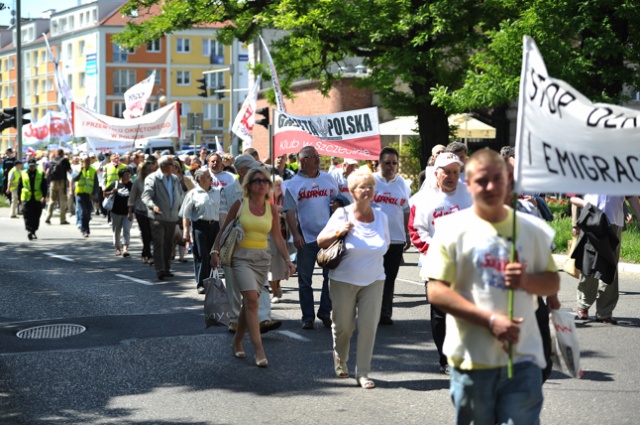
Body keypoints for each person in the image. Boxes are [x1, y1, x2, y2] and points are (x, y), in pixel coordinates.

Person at [424, 149, 560, 425]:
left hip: (523, 359)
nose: (490, 187)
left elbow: (552, 281)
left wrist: (527, 281)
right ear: (469, 184)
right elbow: (436, 290)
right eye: (481, 180)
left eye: (497, 179)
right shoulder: (450, 229)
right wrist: (489, 320)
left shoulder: (532, 229)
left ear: (508, 181)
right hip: (472, 360)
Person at [210, 167, 296, 367]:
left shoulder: (271, 209)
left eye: (265, 181)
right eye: (257, 180)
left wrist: (288, 260)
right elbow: (224, 230)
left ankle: (237, 340)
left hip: (261, 259)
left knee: (250, 304)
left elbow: (277, 237)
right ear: (249, 185)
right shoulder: (240, 204)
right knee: (251, 300)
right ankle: (259, 350)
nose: (261, 184)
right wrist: (215, 252)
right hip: (241, 258)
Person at [317, 166, 390, 389]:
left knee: (368, 326)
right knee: (344, 328)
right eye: (361, 187)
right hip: (343, 280)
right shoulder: (342, 214)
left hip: (374, 279)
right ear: (352, 191)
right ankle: (341, 360)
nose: (367, 191)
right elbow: (320, 241)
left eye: (370, 187)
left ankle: (363, 373)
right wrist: (339, 232)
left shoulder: (382, 217)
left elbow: (385, 245)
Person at [412, 153, 472, 374]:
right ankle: (445, 359)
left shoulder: (469, 196)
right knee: (440, 315)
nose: (451, 176)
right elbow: (416, 231)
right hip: (437, 265)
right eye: (446, 171)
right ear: (436, 173)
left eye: (455, 172)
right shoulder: (424, 200)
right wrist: (437, 251)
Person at [219, 154, 282, 334]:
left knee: (260, 283)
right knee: (232, 282)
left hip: (259, 244)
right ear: (241, 171)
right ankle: (234, 319)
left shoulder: (261, 188)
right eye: (251, 168)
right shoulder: (228, 191)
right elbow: (223, 219)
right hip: (236, 243)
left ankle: (263, 319)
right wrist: (221, 244)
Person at [284, 146, 340, 329]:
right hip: (306, 238)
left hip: (328, 237)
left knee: (330, 277)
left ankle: (325, 312)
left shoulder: (328, 178)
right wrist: (295, 234)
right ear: (304, 160)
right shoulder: (292, 184)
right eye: (314, 157)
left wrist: (337, 208)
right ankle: (307, 317)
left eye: (318, 156)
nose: (318, 159)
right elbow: (290, 212)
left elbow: (338, 201)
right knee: (305, 280)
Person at [570, 195, 640, 324]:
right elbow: (574, 196)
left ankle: (605, 312)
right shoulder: (587, 173)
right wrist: (576, 222)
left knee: (610, 267)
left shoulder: (621, 175)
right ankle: (583, 304)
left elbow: (630, 196)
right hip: (591, 220)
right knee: (589, 264)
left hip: (614, 222)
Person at [373, 146, 411, 325]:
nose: (391, 166)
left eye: (394, 163)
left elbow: (406, 210)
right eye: (387, 163)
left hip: (396, 238)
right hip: (374, 237)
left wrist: (407, 233)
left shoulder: (402, 183)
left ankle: (385, 313)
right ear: (379, 162)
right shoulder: (371, 181)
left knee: (390, 277)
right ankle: (369, 310)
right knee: (373, 276)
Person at [142, 155, 185, 280]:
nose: (173, 167)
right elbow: (146, 196)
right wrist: (152, 206)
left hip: (172, 217)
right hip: (158, 217)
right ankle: (160, 269)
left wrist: (182, 212)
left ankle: (166, 268)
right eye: (171, 165)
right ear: (163, 166)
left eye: (173, 165)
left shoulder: (175, 179)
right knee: (159, 243)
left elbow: (180, 196)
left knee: (168, 244)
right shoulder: (153, 178)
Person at [179, 169, 220, 294]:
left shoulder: (218, 192)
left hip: (215, 226)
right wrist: (186, 231)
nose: (211, 179)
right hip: (200, 226)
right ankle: (202, 283)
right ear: (200, 179)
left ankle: (213, 281)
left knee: (214, 254)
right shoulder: (192, 194)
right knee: (202, 255)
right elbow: (186, 214)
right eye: (208, 177)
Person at [267, 175, 295, 303]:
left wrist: (281, 212)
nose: (278, 187)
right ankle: (274, 292)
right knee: (272, 266)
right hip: (269, 236)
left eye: (279, 185)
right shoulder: (266, 199)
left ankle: (277, 285)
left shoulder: (286, 198)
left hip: (284, 235)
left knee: (281, 265)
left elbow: (292, 213)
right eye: (275, 185)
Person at [129, 161, 157, 264]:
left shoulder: (155, 180)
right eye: (148, 170)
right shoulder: (138, 181)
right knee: (145, 233)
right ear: (144, 171)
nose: (150, 172)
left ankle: (144, 253)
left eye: (152, 170)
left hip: (152, 210)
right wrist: (129, 211)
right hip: (140, 210)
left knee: (151, 234)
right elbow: (132, 196)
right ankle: (149, 255)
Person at [104, 168, 134, 257]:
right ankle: (117, 248)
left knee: (126, 230)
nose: (128, 177)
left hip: (127, 212)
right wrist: (111, 192)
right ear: (121, 176)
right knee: (117, 231)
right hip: (115, 212)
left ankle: (125, 249)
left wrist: (130, 212)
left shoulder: (131, 185)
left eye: (129, 175)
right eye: (126, 175)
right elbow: (104, 194)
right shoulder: (115, 184)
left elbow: (133, 199)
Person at [18, 158, 47, 240]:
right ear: (28, 165)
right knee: (27, 215)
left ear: (35, 165)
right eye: (30, 166)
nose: (32, 167)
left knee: (36, 215)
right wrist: (19, 198)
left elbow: (44, 186)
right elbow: (20, 186)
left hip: (37, 198)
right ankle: (29, 231)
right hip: (27, 198)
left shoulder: (40, 173)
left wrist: (44, 196)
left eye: (33, 166)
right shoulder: (23, 173)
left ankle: (34, 230)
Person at [73, 156, 99, 237]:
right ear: (82, 161)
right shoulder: (77, 168)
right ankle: (85, 230)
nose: (87, 162)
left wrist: (93, 194)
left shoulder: (93, 170)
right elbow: (74, 179)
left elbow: (96, 183)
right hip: (80, 193)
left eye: (88, 161)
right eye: (85, 161)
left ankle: (84, 228)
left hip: (89, 194)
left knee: (88, 213)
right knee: (83, 212)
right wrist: (80, 171)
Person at [44, 148, 72, 225]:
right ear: (63, 153)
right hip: (62, 182)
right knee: (62, 201)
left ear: (56, 154)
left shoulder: (52, 161)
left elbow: (47, 172)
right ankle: (62, 219)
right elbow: (70, 171)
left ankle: (47, 218)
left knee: (52, 200)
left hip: (53, 182)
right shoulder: (65, 160)